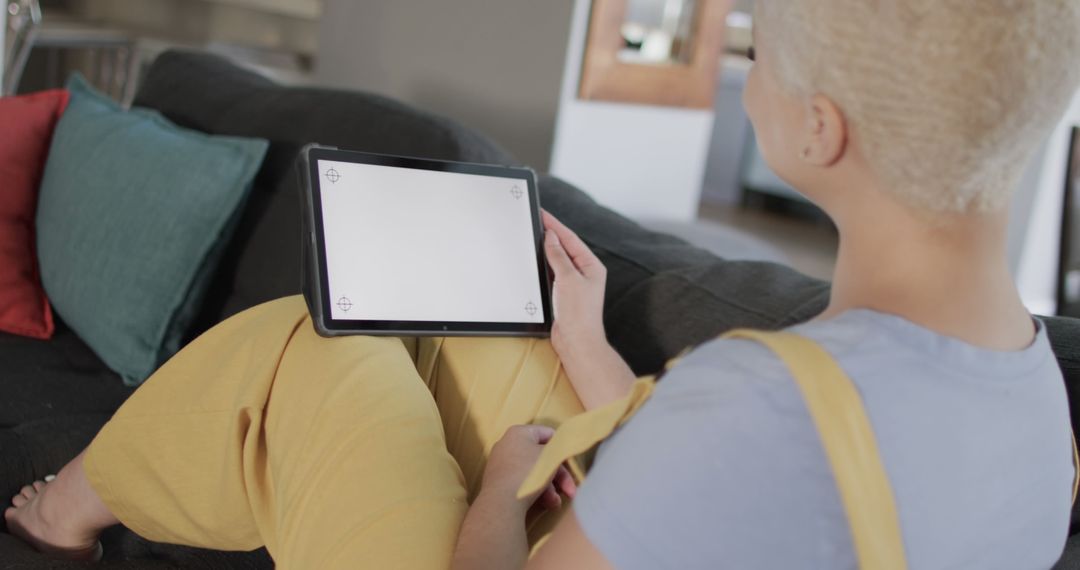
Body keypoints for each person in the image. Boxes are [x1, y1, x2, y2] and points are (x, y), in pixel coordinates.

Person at [7, 0, 1080, 567]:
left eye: (761, 47)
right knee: (489, 334)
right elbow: (782, 487)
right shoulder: (1040, 400)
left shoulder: (755, 405)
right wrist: (587, 350)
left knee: (320, 345)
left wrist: (493, 500)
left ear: (821, 128)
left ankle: (72, 506)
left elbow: (749, 446)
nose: (748, 67)